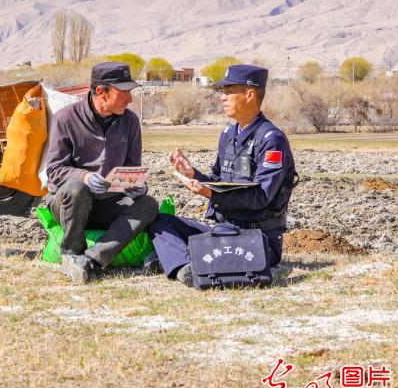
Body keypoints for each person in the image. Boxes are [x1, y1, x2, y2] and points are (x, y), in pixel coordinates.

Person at [148, 65, 298, 286]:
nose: (222, 98)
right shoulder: (228, 135)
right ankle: (184, 266)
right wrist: (192, 173)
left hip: (257, 239)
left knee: (209, 249)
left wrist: (210, 193)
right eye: (222, 92)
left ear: (249, 94)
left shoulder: (271, 139)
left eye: (229, 92)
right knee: (159, 220)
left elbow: (261, 198)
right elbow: (219, 182)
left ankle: (183, 260)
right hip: (222, 230)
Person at [44, 61, 159, 283]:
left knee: (148, 204)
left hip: (110, 203)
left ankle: (92, 259)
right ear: (101, 92)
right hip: (70, 205)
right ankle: (71, 255)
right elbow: (55, 169)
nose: (130, 99)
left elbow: (132, 168)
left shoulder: (130, 121)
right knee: (76, 190)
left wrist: (137, 185)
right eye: (123, 93)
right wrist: (84, 176)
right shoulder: (66, 119)